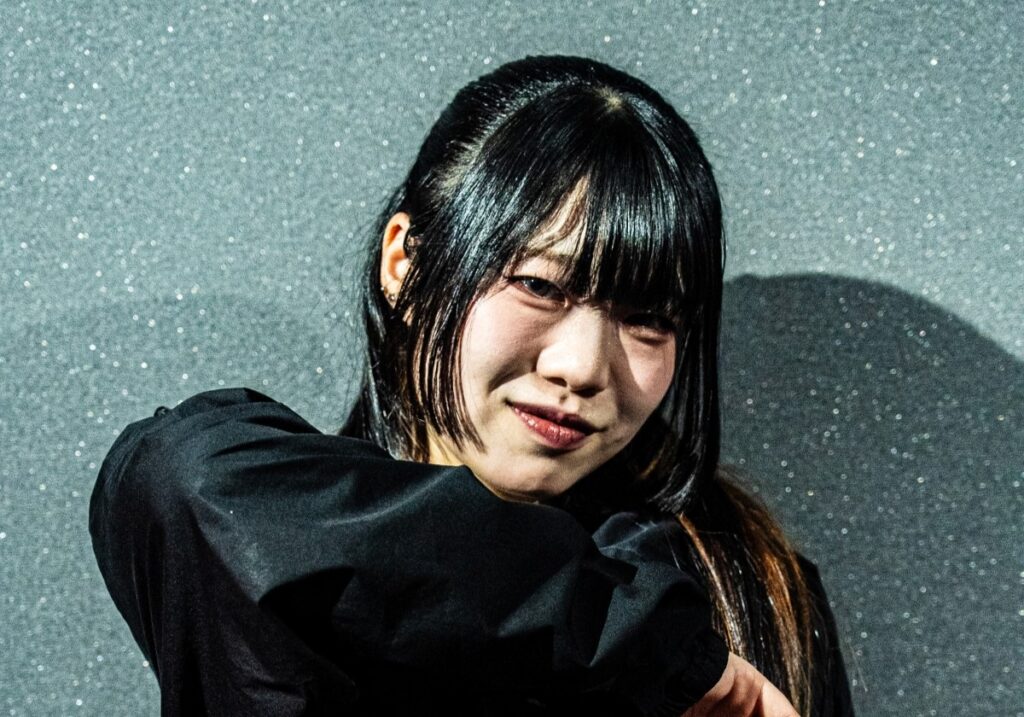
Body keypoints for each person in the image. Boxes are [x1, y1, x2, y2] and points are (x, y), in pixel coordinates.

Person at [90, 55, 852, 715]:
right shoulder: (271, 544)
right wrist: (637, 639)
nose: (584, 367)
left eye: (647, 319)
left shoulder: (738, 584)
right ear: (406, 264)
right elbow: (182, 475)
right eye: (539, 285)